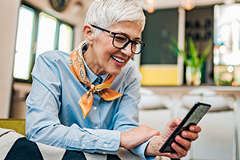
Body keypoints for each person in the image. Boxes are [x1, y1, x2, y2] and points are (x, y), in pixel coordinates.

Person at [25, 0, 201, 159]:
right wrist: (120, 139)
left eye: (134, 42)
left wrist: (157, 145)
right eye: (120, 38)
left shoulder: (129, 73)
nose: (128, 51)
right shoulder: (51, 64)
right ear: (89, 33)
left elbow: (126, 128)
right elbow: (40, 131)